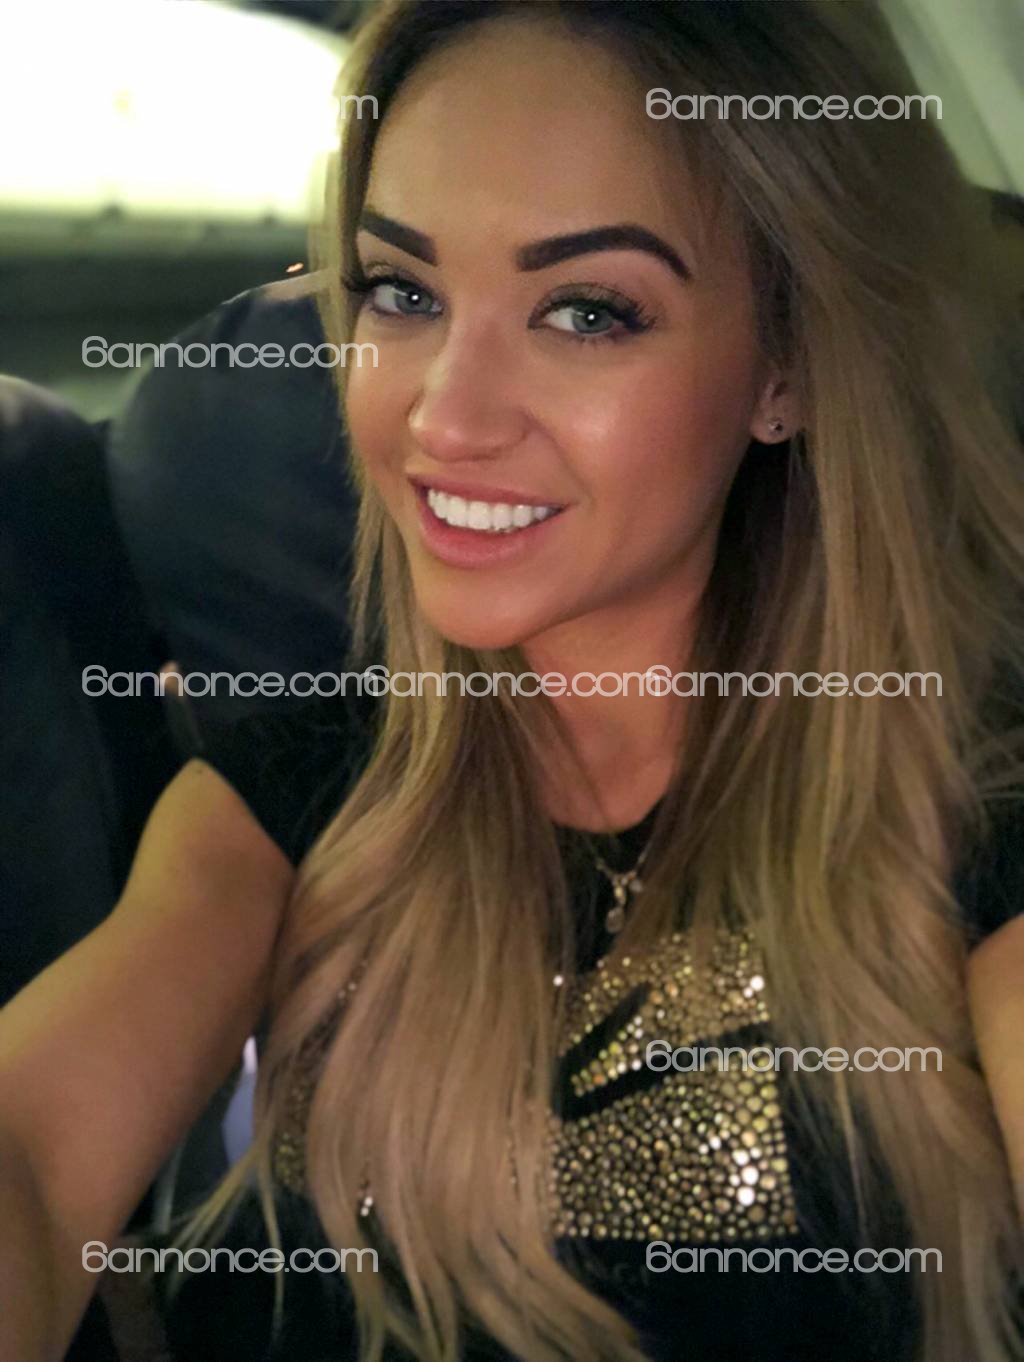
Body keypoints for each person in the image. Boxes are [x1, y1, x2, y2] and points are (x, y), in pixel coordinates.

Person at [2, 2, 1022, 1360]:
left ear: (785, 369)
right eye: (403, 292)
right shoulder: (288, 800)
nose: (446, 414)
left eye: (587, 311)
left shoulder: (972, 807)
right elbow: (32, 1155)